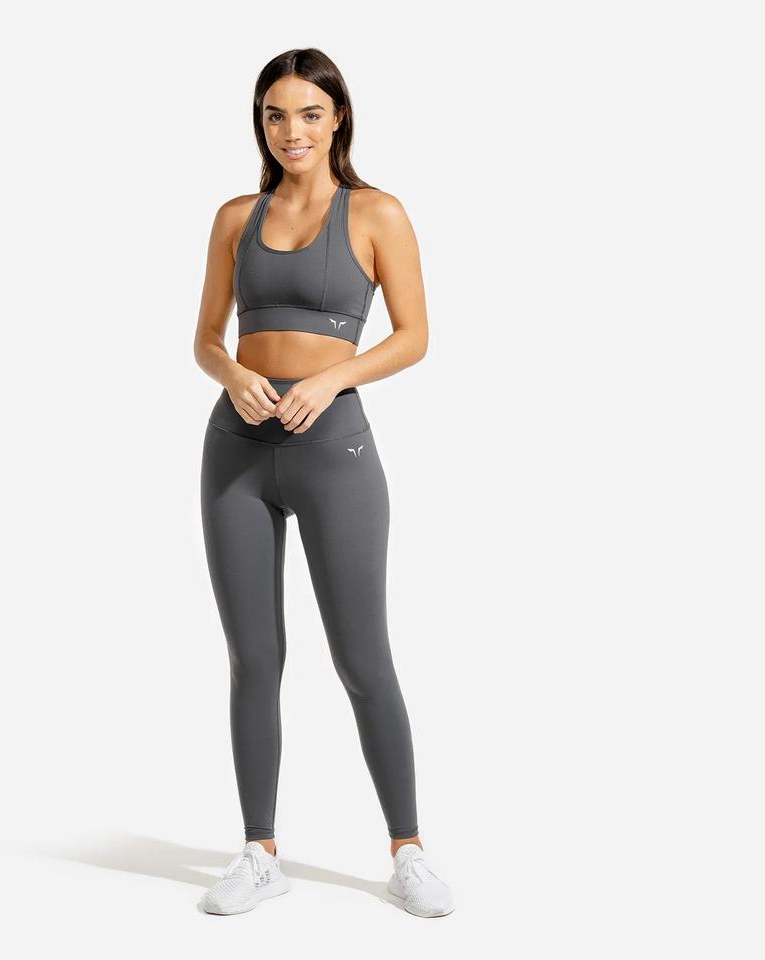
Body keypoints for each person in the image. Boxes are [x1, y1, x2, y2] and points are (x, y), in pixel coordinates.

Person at [193, 48, 455, 918]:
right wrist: (233, 373)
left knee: (362, 657)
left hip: (332, 449)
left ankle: (408, 852)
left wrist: (333, 377)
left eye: (309, 113)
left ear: (337, 116)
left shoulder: (376, 212)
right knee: (253, 658)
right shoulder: (236, 216)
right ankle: (258, 851)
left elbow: (413, 335)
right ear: (260, 123)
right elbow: (206, 339)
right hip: (236, 450)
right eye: (275, 114)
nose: (292, 130)